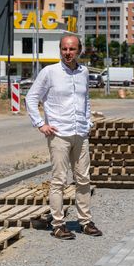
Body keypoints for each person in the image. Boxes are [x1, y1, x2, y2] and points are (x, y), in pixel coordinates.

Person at [25, 34, 102, 240]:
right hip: (59, 134)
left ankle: (85, 221)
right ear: (60, 50)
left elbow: (85, 100)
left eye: (72, 49)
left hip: (80, 133)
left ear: (79, 50)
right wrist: (40, 124)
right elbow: (31, 98)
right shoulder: (49, 72)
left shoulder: (84, 72)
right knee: (59, 180)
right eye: (65, 49)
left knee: (84, 179)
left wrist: (88, 123)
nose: (68, 53)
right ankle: (58, 224)